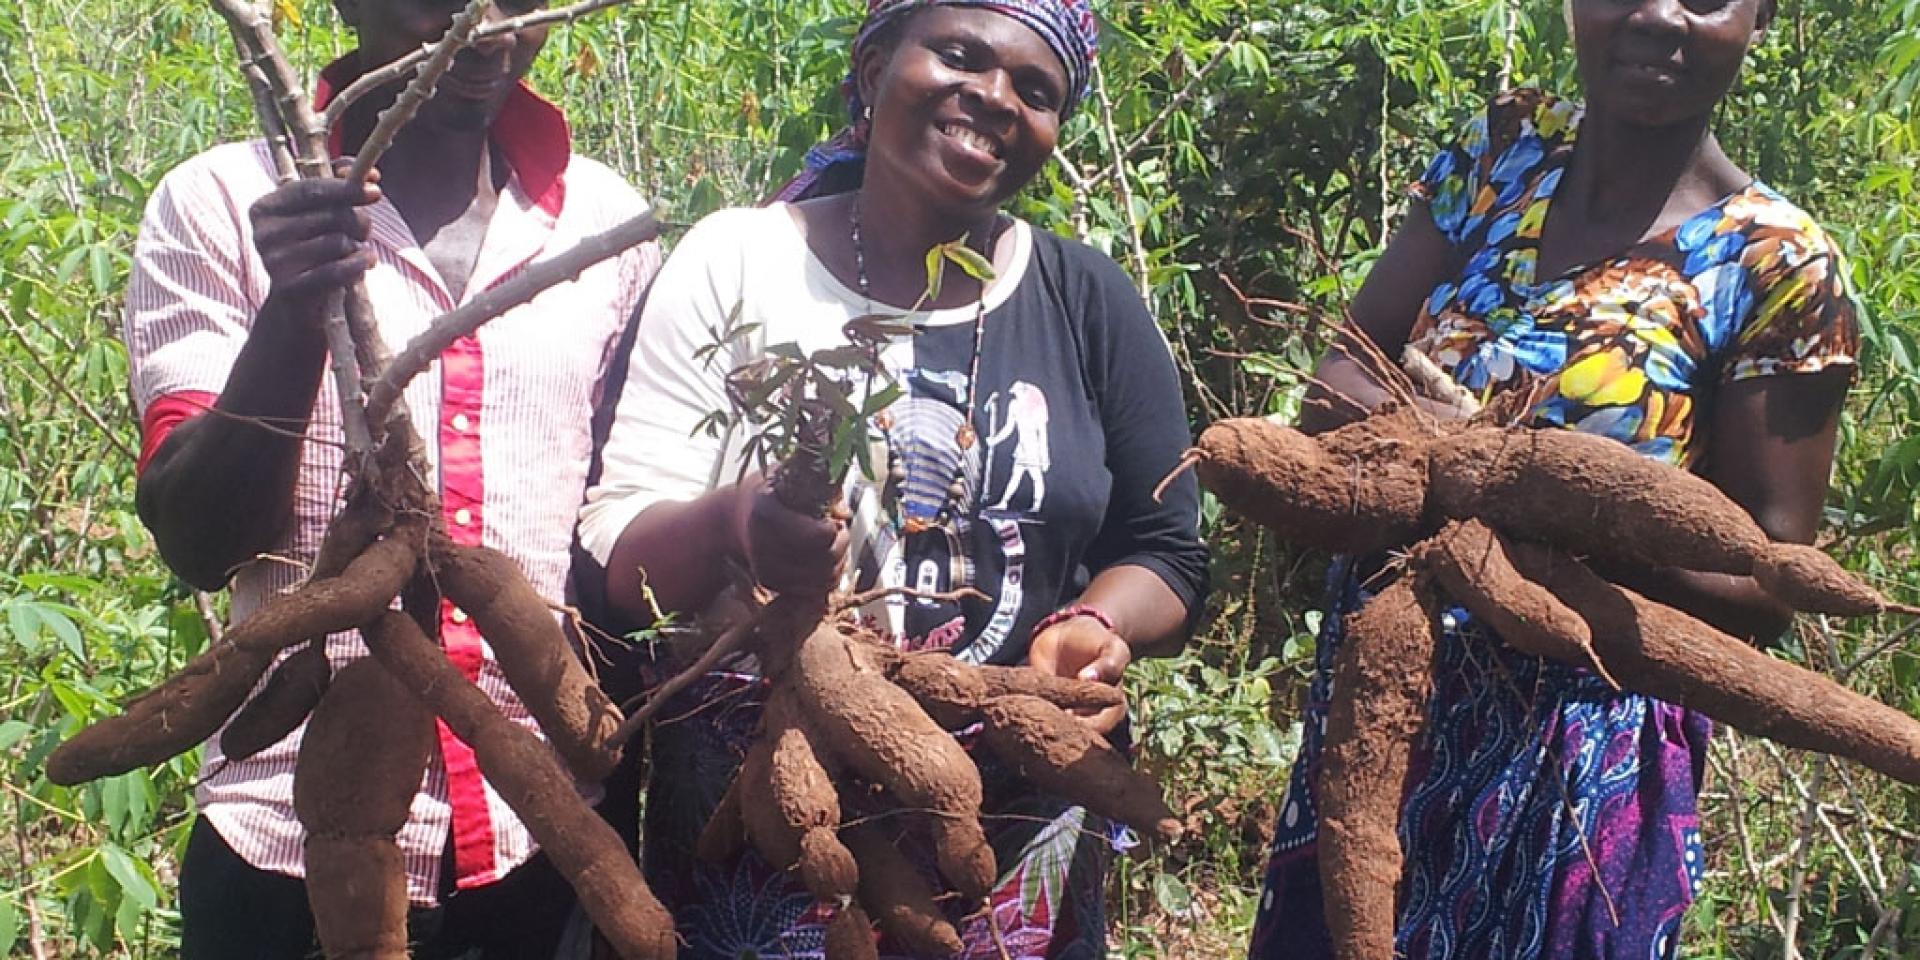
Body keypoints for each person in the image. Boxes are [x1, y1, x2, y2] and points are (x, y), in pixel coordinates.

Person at [574, 1, 1208, 955]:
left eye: (1036, 92)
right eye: (960, 56)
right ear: (873, 70)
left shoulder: (1088, 299)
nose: (994, 99)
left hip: (1019, 826)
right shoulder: (738, 260)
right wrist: (736, 523)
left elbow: (1167, 551)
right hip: (773, 812)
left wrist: (1098, 622)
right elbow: (618, 568)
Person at [1248, 1, 1858, 957]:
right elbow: (1345, 373)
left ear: (1759, 18)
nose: (1660, 15)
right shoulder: (1506, 146)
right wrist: (1454, 455)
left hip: (1577, 754)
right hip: (1377, 698)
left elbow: (1767, 581)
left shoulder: (1778, 262)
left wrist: (1525, 492)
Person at [122, 0, 660, 955]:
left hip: (545, 848)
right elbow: (198, 540)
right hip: (286, 845)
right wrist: (294, 310)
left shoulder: (609, 227)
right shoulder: (217, 202)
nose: (486, 28)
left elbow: (613, 530)